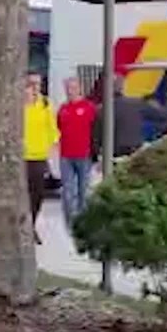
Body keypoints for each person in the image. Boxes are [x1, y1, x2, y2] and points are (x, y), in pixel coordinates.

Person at [93, 79, 167, 160]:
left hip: (113, 151)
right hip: (134, 148)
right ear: (122, 88)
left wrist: (97, 152)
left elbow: (97, 134)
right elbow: (160, 114)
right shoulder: (135, 103)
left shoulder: (101, 109)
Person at [57, 76, 96, 227]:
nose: (70, 91)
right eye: (67, 88)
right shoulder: (63, 109)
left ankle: (84, 222)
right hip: (66, 155)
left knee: (83, 191)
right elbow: (59, 127)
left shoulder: (89, 107)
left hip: (84, 155)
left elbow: (95, 129)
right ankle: (70, 222)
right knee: (67, 191)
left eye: (73, 88)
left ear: (79, 89)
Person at [24, 78, 58, 244]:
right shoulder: (18, 107)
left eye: (36, 85)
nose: (34, 89)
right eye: (30, 85)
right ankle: (24, 228)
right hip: (22, 157)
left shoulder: (45, 104)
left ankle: (31, 225)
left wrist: (52, 146)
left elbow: (52, 128)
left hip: (39, 157)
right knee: (22, 194)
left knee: (37, 194)